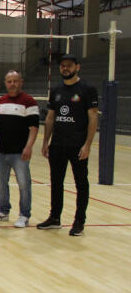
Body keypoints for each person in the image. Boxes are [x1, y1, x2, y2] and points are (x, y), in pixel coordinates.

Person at [37, 54, 98, 236]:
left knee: (81, 183)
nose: (65, 68)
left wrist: (87, 145)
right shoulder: (56, 90)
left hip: (77, 145)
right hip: (57, 145)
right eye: (63, 66)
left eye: (69, 66)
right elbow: (50, 118)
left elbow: (93, 117)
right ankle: (55, 217)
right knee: (56, 182)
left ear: (77, 67)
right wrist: (45, 142)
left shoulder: (87, 89)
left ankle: (79, 221)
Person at [0, 70, 39, 228]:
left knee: (24, 183)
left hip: (20, 153)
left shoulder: (29, 101)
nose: (12, 84)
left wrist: (28, 147)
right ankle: (3, 211)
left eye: (15, 81)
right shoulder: (0, 102)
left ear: (21, 82)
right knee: (0, 182)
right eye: (9, 81)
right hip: (2, 151)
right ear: (5, 83)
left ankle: (24, 215)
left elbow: (34, 127)